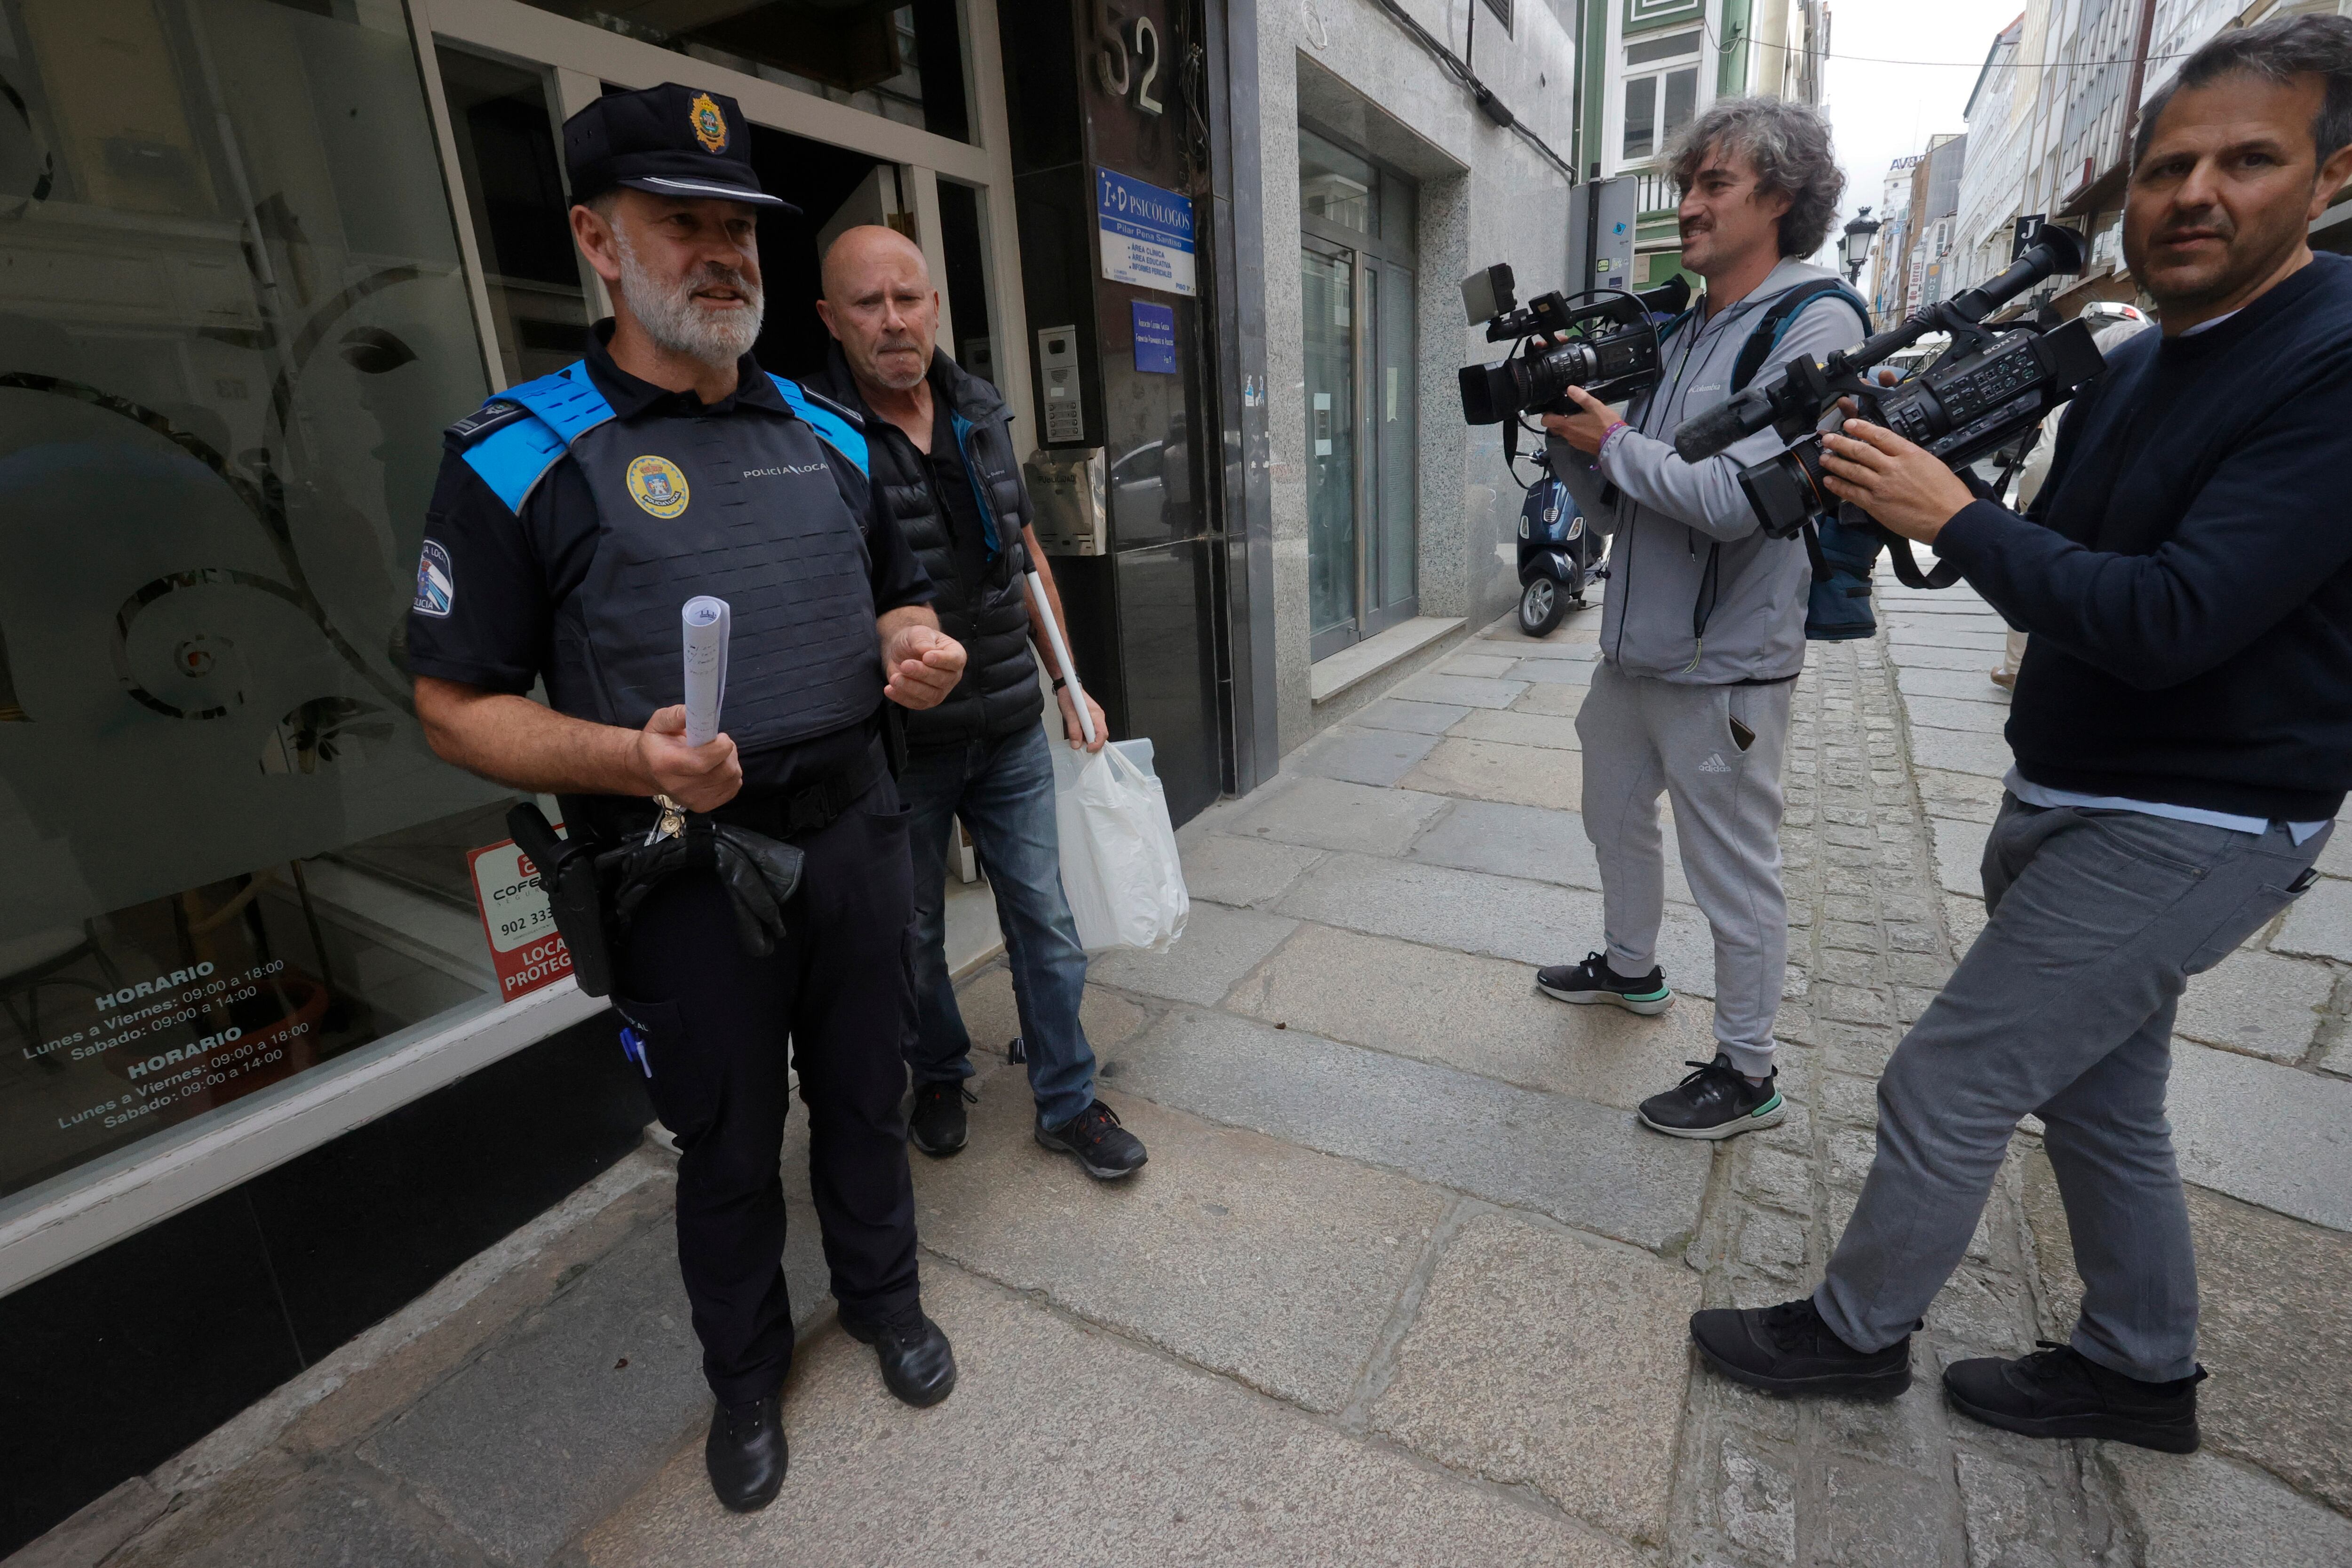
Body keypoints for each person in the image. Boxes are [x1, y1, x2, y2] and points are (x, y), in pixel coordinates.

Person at [1686, 16, 2352, 1454]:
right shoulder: (2150, 353)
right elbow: (2057, 555)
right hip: (2083, 790)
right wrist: (1924, 484)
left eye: (2247, 160)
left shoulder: (2328, 359)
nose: (2193, 193)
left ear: (2328, 173)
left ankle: (1852, 1335)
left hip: (2194, 818)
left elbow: (2173, 616)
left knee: (1948, 1074)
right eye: (2168, 165)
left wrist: (1954, 515)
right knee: (2102, 1103)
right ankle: (2136, 1365)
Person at [403, 84, 969, 1514]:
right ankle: (743, 1380)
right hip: (682, 866)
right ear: (599, 240)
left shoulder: (837, 434)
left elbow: (897, 600)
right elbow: (452, 707)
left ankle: (886, 1301)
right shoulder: (519, 453)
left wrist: (915, 649)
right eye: (683, 223)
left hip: (852, 832)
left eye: (740, 228)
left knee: (863, 1094)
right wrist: (630, 761)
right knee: (725, 1141)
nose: (723, 253)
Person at [1537, 98, 1868, 1139]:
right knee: (1610, 815)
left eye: (1712, 185)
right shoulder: (1686, 327)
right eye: (1685, 184)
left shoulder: (1813, 320)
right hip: (1633, 650)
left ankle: (1747, 1069)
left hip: (1725, 663)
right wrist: (1572, 446)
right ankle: (1631, 967)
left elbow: (1735, 496)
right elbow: (1633, 500)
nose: (1686, 204)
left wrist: (1620, 444)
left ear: (1780, 198)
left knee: (1732, 870)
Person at [806, 227, 1148, 1179]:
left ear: (935, 306)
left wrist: (1070, 685)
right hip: (896, 745)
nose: (892, 322)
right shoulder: (811, 434)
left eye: (907, 299)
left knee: (1043, 915)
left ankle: (1068, 1098)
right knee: (911, 933)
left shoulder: (977, 409)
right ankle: (943, 1072)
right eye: (867, 304)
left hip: (1004, 725)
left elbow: (1027, 555)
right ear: (829, 320)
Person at [1989, 311, 2155, 690]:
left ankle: (2015, 665)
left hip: (2050, 495)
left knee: (2042, 566)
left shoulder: (2075, 399)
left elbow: (2040, 465)